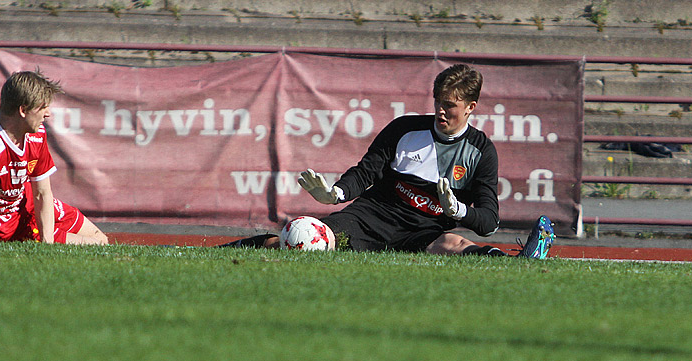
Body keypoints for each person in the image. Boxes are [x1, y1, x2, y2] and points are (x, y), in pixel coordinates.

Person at [225, 64, 555, 259]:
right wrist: (336, 194)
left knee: (455, 245)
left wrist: (457, 211)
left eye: (450, 105)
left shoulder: (481, 151)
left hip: (424, 231)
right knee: (309, 241)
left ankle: (519, 261)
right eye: (438, 102)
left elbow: (489, 222)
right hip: (369, 218)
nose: (441, 110)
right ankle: (232, 248)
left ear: (471, 106)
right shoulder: (404, 129)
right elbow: (366, 171)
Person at [0, 71, 108, 245]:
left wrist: (48, 244)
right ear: (23, 110)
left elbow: (42, 192)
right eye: (43, 107)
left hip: (31, 208)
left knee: (101, 239)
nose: (48, 114)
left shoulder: (37, 135)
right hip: (10, 229)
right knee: (95, 245)